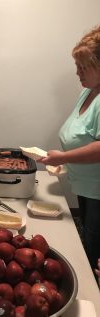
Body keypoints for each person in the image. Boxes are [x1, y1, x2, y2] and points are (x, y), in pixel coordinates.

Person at [38, 25, 100, 276]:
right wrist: (67, 163)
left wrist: (62, 157)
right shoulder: (88, 92)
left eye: (83, 67)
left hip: (97, 190)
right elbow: (81, 139)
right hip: (85, 185)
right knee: (89, 241)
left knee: (94, 253)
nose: (77, 72)